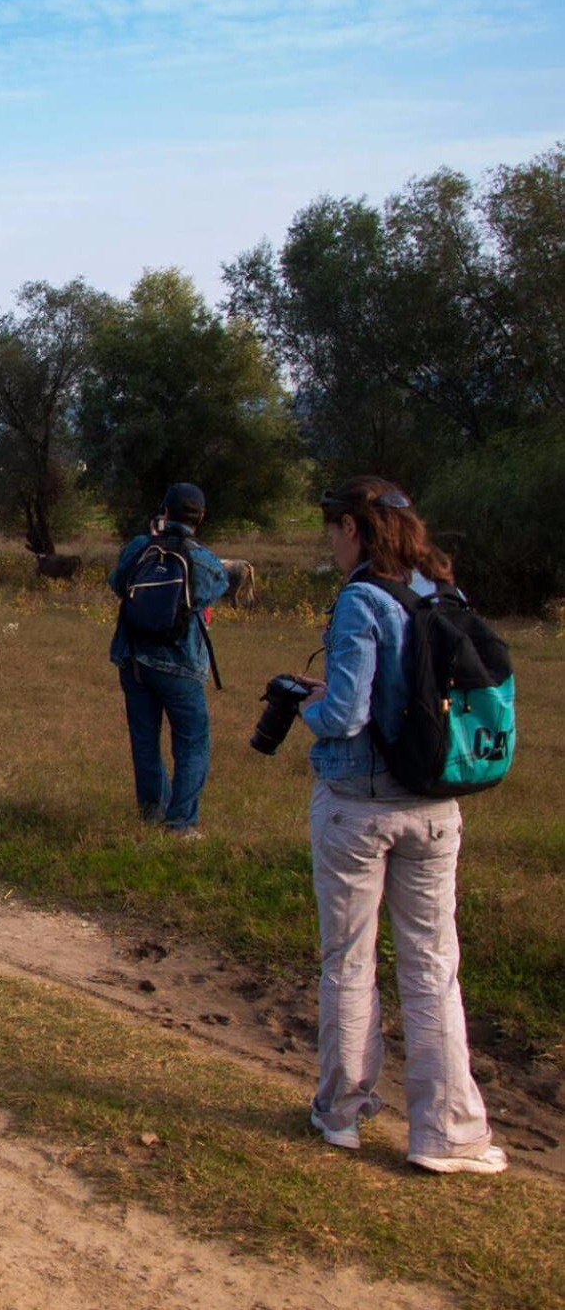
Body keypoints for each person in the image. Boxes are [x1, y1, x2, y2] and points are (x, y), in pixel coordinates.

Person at [297, 477, 505, 1174]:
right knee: (433, 966)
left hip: (360, 804)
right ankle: (447, 1130)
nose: (330, 539)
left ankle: (342, 1113)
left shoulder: (362, 598)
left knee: (349, 960)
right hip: (437, 803)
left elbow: (348, 714)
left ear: (355, 529)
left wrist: (308, 709)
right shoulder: (444, 591)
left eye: (334, 526)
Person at [108, 482, 229, 837]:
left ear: (164, 510)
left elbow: (117, 584)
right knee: (191, 741)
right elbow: (211, 593)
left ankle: (150, 812)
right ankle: (181, 823)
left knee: (145, 738)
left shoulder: (140, 547)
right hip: (181, 663)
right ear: (201, 517)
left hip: (134, 658)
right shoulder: (203, 560)